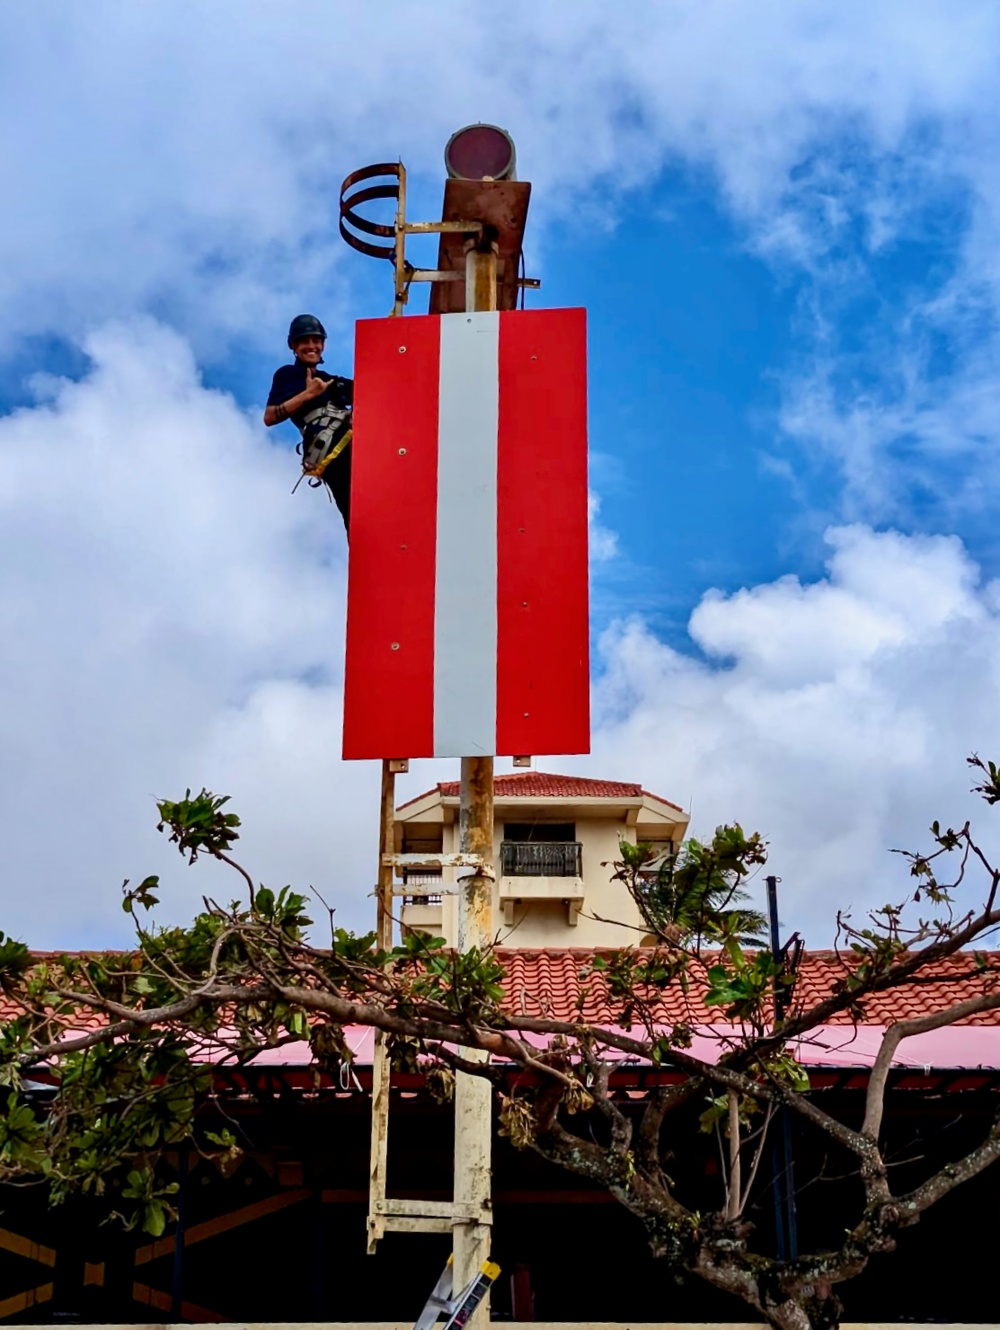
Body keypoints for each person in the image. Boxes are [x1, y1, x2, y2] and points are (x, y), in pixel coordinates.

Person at [264, 314, 353, 533]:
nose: (311, 346)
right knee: (353, 508)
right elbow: (270, 416)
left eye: (316, 341)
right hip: (333, 452)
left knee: (364, 505)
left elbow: (373, 389)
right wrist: (308, 394)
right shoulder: (288, 375)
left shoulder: (332, 381)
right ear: (293, 346)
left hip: (352, 446)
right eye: (305, 341)